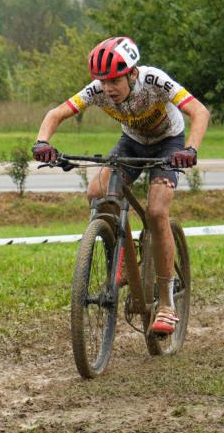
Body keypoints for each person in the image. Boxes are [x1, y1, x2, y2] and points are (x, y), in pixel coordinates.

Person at [32, 36, 209, 335]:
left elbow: (199, 112)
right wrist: (42, 142)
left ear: (131, 72)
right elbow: (56, 113)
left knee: (156, 210)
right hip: (132, 143)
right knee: (96, 192)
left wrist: (190, 150)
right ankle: (122, 259)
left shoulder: (154, 80)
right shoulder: (97, 90)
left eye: (114, 79)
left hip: (169, 143)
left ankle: (166, 303)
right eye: (102, 81)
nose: (108, 88)